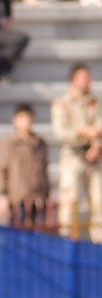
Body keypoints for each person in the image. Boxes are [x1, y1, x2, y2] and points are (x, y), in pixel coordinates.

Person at [51, 64, 102, 242]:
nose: (86, 81)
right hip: (73, 156)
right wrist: (83, 133)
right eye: (82, 77)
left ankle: (98, 243)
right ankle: (68, 241)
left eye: (88, 77)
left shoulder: (95, 103)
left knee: (98, 202)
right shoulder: (63, 103)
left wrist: (96, 145)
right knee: (70, 200)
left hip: (96, 157)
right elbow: (61, 132)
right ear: (73, 80)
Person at [0, 103, 48, 230]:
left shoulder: (39, 143)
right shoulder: (9, 143)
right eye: (22, 118)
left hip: (37, 197)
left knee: (37, 232)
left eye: (28, 118)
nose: (25, 122)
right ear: (15, 120)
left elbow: (44, 170)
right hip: (16, 196)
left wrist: (45, 194)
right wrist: (3, 195)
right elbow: (3, 170)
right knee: (16, 232)